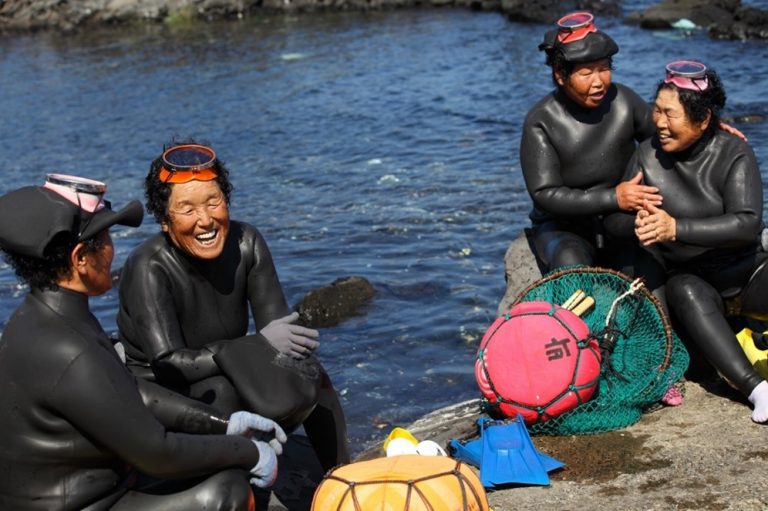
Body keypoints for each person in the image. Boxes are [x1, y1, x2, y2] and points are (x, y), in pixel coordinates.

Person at [0, 174, 288, 510]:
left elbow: (125, 389)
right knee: (226, 491)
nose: (112, 249)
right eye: (106, 237)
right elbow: (157, 453)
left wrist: (223, 425)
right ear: (80, 258)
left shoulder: (40, 317)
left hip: (97, 486)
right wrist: (249, 452)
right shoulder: (70, 348)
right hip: (89, 502)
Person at [117, 141, 350, 473]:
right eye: (187, 209)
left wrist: (285, 363)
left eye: (214, 202)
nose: (205, 220)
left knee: (312, 375)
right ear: (164, 221)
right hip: (164, 393)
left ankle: (342, 477)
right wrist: (253, 346)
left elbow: (281, 339)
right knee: (223, 394)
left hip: (226, 366)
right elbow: (169, 363)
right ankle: (241, 488)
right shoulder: (148, 266)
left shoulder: (246, 242)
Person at [613, 60, 768, 422]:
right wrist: (633, 220)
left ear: (702, 119)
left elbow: (747, 224)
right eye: (657, 111)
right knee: (684, 288)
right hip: (696, 285)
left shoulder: (734, 153)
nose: (660, 123)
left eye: (671, 114)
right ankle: (758, 391)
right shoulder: (645, 156)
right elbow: (615, 223)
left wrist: (675, 228)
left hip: (748, 272)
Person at [520, 11, 663, 273]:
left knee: (649, 267)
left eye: (604, 69)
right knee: (572, 265)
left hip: (619, 219)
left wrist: (702, 129)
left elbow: (662, 137)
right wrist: (614, 197)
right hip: (563, 227)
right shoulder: (541, 121)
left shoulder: (623, 101)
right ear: (560, 76)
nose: (599, 82)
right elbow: (545, 194)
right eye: (586, 73)